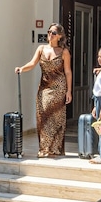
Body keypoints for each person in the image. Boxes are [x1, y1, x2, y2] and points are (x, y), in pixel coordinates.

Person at [16, 23, 72, 158]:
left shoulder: (64, 52)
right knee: (43, 116)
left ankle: (55, 148)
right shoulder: (41, 49)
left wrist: (69, 91)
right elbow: (32, 63)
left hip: (59, 87)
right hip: (44, 87)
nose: (50, 35)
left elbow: (68, 72)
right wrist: (22, 68)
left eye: (53, 33)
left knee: (57, 118)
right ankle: (44, 148)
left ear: (59, 36)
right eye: (49, 32)